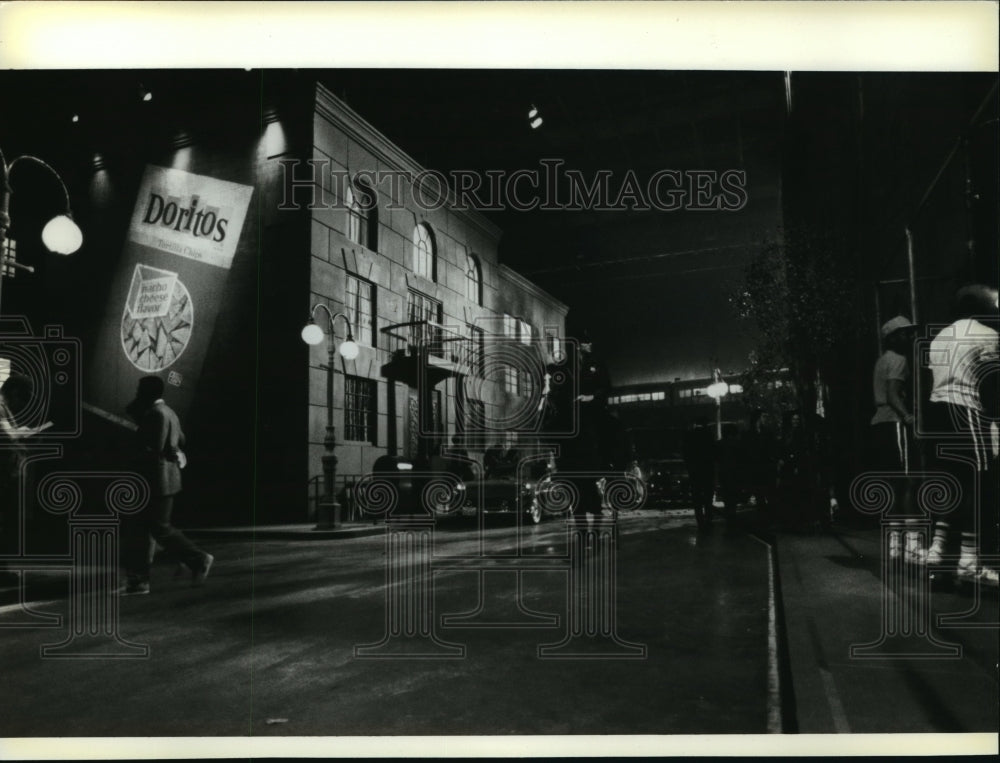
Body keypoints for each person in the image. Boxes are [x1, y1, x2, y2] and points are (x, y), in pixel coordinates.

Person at [923, 285, 998, 587]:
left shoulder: (941, 336)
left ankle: (938, 551)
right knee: (977, 483)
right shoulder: (987, 335)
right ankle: (969, 561)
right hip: (964, 409)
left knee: (951, 483)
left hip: (936, 411)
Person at [120, 375, 213, 595]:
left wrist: (129, 458)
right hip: (167, 479)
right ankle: (140, 580)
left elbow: (152, 449)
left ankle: (198, 559)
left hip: (154, 480)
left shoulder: (155, 414)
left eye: (139, 388)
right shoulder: (170, 412)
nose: (136, 392)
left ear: (148, 391)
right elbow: (181, 440)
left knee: (152, 529)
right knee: (152, 528)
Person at [869, 315, 922, 561]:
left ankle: (894, 545)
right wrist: (908, 417)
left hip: (879, 424)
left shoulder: (881, 361)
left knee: (892, 485)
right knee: (909, 481)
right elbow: (892, 394)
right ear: (893, 338)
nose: (910, 337)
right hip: (894, 423)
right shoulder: (899, 360)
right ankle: (912, 545)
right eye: (905, 333)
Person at [0, 374, 35, 585]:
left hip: (8, 471)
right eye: (20, 399)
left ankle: (3, 569)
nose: (20, 404)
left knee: (5, 522)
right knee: (4, 522)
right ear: (13, 392)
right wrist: (22, 433)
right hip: (5, 473)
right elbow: (7, 436)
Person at [742, 409, 779, 526]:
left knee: (769, 495)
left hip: (765, 469)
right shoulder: (749, 434)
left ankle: (769, 519)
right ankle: (764, 519)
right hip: (757, 470)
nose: (765, 419)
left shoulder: (767, 433)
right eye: (763, 417)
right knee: (760, 496)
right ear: (758, 418)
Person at [682, 418, 716, 532]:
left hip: (695, 471)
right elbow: (714, 453)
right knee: (708, 497)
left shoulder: (690, 436)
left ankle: (700, 521)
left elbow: (686, 454)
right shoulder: (709, 435)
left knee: (697, 497)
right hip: (708, 470)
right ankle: (709, 519)